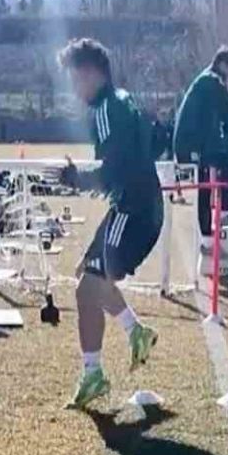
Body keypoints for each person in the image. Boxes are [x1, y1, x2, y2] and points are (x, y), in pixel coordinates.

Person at [57, 39, 162, 409]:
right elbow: (151, 142)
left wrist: (78, 179)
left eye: (74, 79)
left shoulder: (107, 108)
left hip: (134, 211)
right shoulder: (121, 100)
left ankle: (94, 374)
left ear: (90, 73)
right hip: (135, 206)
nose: (74, 88)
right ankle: (135, 333)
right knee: (88, 278)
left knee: (89, 286)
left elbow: (114, 168)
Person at [173, 47, 228, 243]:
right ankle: (207, 237)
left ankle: (221, 215)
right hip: (191, 145)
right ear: (223, 64)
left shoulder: (209, 82)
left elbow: (225, 115)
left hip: (200, 143)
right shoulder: (211, 82)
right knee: (202, 191)